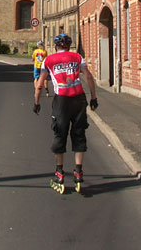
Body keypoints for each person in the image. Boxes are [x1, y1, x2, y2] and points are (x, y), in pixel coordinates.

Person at [33, 33, 98, 192]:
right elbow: (88, 77)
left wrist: (37, 102)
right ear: (69, 45)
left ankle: (60, 172)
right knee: (79, 133)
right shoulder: (77, 57)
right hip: (79, 99)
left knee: (59, 134)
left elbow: (40, 84)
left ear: (56, 46)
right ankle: (78, 172)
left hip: (61, 100)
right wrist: (94, 98)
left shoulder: (49, 60)